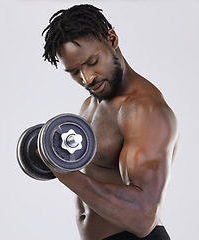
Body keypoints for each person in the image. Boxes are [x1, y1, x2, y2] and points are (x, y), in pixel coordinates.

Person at [42, 4, 179, 240]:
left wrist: (66, 175)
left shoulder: (144, 109)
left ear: (112, 39)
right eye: (74, 72)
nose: (87, 78)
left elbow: (144, 216)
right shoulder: (91, 103)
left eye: (92, 62)